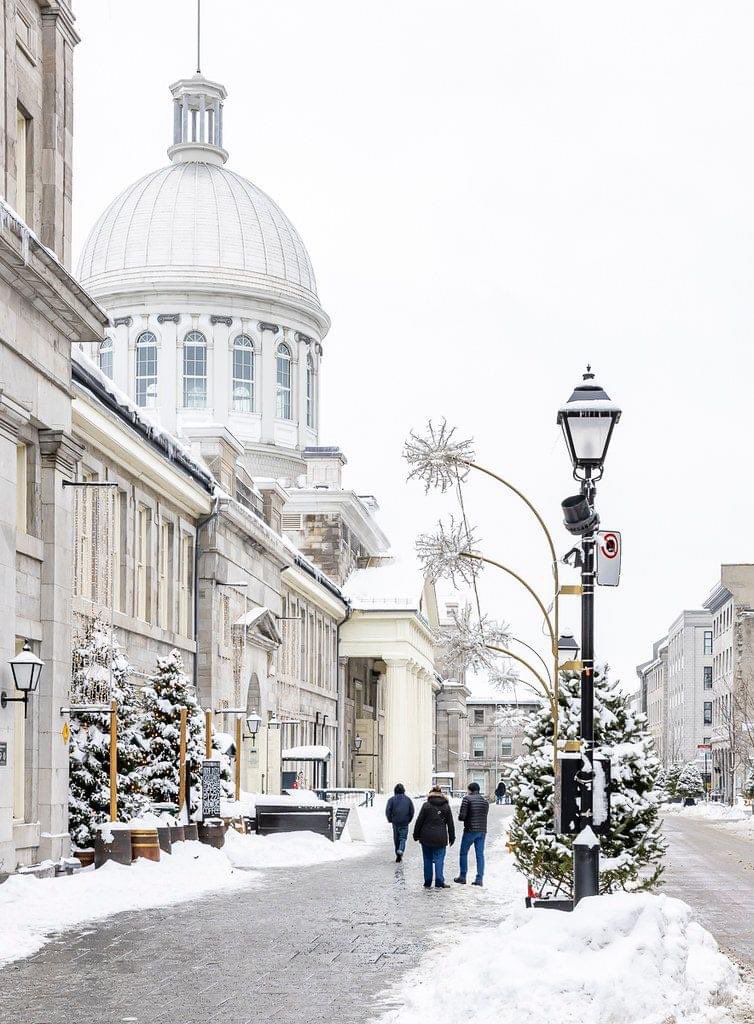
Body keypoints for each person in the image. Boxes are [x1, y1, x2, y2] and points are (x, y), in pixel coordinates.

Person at [413, 785, 455, 888]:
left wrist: (416, 834)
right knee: (439, 859)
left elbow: (419, 821)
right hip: (441, 837)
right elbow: (450, 823)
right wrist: (452, 837)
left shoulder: (426, 805)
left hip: (426, 837)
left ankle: (427, 882)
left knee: (427, 859)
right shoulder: (446, 806)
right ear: (441, 794)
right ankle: (439, 881)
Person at [455, 781, 489, 886]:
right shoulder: (485, 801)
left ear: (470, 790)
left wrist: (459, 814)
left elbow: (462, 817)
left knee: (463, 853)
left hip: (470, 830)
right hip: (482, 831)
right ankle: (479, 879)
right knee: (480, 855)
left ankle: (463, 876)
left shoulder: (467, 799)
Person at [385, 783, 415, 862]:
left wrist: (390, 819)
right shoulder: (408, 800)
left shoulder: (391, 800)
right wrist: (409, 819)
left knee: (396, 839)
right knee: (403, 838)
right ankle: (401, 850)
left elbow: (388, 810)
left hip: (395, 822)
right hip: (404, 822)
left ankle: (397, 854)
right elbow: (412, 811)